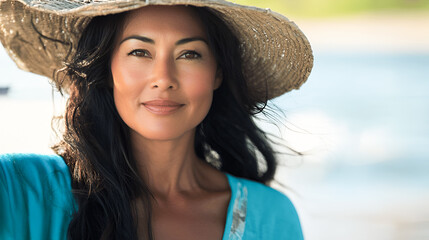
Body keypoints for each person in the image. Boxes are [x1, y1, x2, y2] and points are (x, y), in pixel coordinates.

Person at [0, 0, 313, 239]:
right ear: (106, 68)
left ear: (217, 73)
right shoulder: (20, 188)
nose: (163, 78)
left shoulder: (271, 215)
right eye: (139, 52)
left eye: (189, 54)